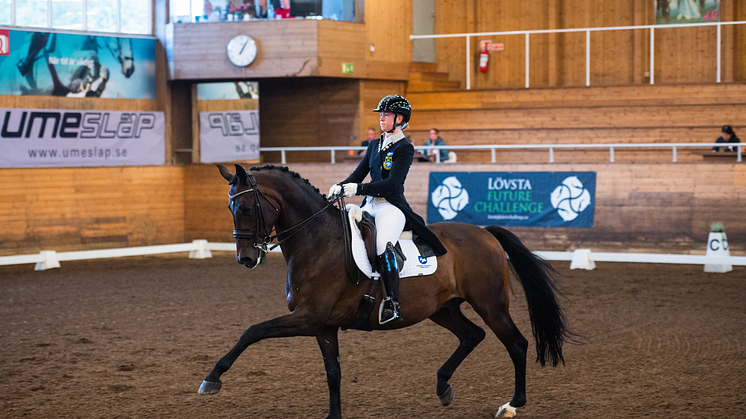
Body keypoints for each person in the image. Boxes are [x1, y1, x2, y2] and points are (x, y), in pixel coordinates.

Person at [328, 95, 447, 324]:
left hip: (391, 207)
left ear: (399, 119)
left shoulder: (405, 148)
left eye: (386, 115)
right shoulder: (374, 144)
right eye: (381, 115)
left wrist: (359, 188)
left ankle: (392, 303)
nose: (381, 118)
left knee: (382, 244)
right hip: (369, 205)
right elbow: (358, 173)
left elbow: (393, 184)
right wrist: (342, 186)